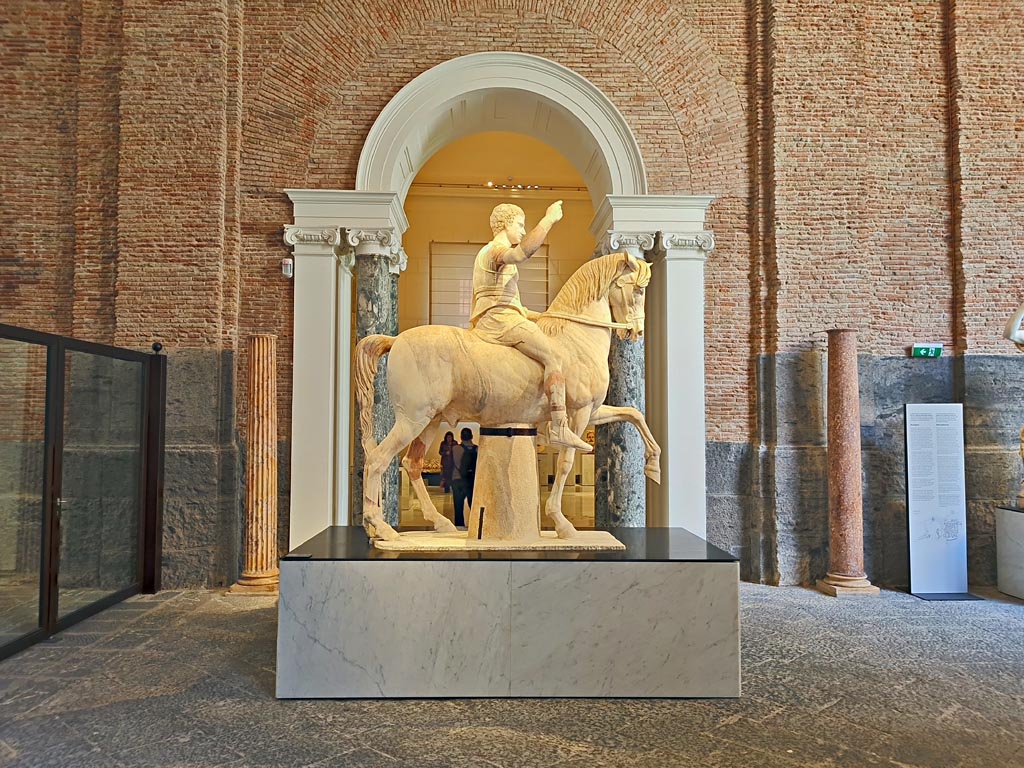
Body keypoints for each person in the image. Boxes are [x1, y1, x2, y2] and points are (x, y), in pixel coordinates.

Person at [469, 201, 592, 453]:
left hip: (506, 314)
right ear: (504, 224)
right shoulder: (496, 250)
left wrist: (545, 316)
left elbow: (510, 302)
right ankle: (559, 425)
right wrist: (548, 219)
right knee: (555, 355)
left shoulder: (490, 255)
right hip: (499, 320)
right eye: (519, 224)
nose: (523, 231)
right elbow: (521, 254)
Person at [450, 427, 478, 527]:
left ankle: (459, 527)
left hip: (457, 479)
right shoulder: (477, 449)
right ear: (472, 436)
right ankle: (475, 526)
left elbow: (450, 465)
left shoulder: (455, 448)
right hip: (472, 481)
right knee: (474, 506)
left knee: (458, 507)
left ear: (461, 437)